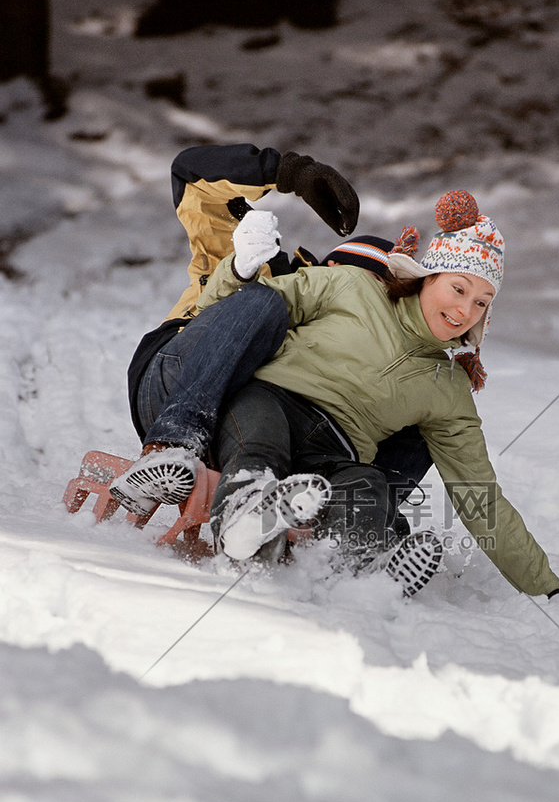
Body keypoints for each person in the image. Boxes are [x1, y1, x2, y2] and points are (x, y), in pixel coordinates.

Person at [175, 190, 559, 599]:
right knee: (260, 440)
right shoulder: (352, 286)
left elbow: (478, 495)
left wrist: (546, 589)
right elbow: (236, 313)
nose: (466, 309)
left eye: (482, 302)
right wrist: (238, 269)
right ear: (427, 277)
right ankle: (245, 519)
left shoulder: (449, 388)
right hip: (270, 399)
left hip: (336, 449)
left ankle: (361, 568)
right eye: (459, 288)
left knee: (366, 484)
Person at [113, 142, 431, 522]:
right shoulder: (263, 260)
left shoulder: (359, 356)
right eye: (362, 292)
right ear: (327, 270)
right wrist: (290, 173)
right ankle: (169, 447)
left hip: (258, 431)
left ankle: (360, 527)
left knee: (423, 415)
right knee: (263, 304)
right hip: (175, 381)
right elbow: (192, 177)